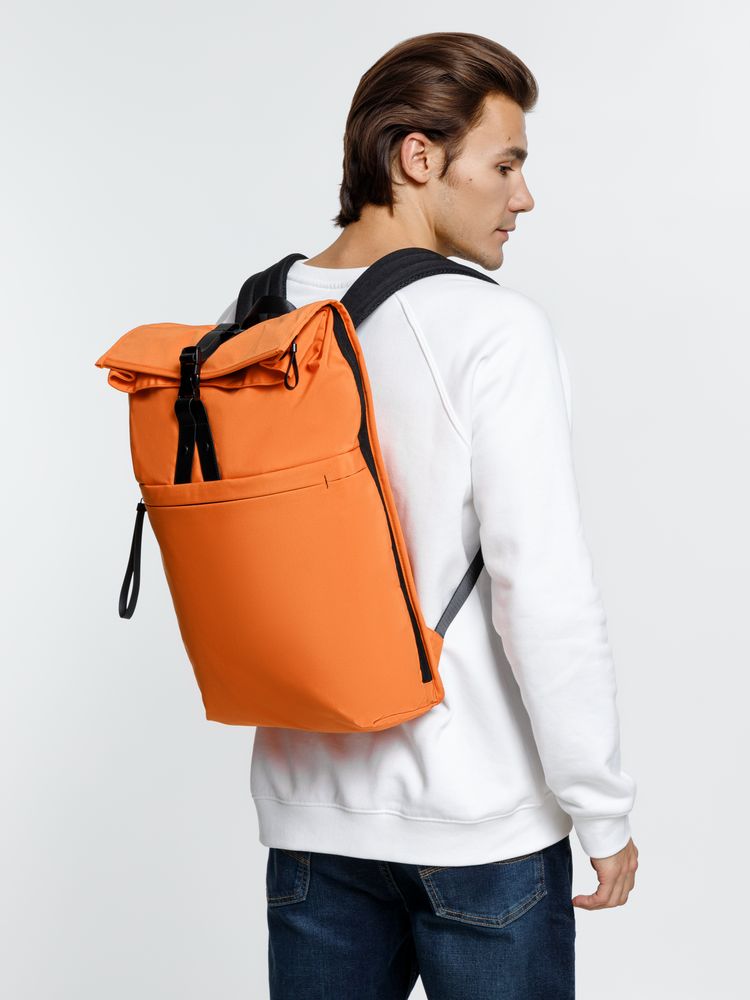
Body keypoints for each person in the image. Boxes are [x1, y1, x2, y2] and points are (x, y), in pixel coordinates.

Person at [218, 30, 639, 1000]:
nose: (523, 197)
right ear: (418, 157)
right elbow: (543, 592)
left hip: (309, 823)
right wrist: (601, 808)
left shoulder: (255, 316)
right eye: (505, 164)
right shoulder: (494, 328)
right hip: (479, 825)